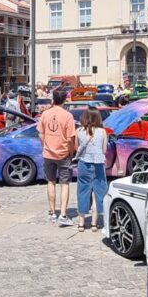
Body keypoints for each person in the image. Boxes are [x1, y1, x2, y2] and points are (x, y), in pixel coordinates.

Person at [38, 90, 76, 226]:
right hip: (63, 153)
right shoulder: (68, 116)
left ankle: (52, 212)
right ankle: (63, 214)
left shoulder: (45, 114)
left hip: (48, 153)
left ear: (53, 99)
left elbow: (41, 134)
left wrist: (45, 146)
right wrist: (71, 151)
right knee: (64, 183)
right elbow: (71, 138)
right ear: (65, 100)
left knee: (51, 182)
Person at [74, 109, 107, 232]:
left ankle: (81, 223)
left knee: (83, 191)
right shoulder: (102, 132)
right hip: (98, 164)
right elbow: (104, 150)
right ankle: (94, 223)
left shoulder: (78, 131)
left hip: (84, 163)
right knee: (97, 192)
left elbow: (77, 148)